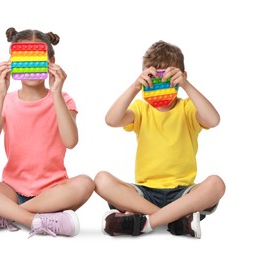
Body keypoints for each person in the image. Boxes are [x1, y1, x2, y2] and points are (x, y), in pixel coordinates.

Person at [0, 27, 95, 238]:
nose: (31, 63)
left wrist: (57, 92)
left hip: (53, 193)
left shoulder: (63, 99)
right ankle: (35, 220)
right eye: (24, 57)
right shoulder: (6, 101)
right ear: (12, 61)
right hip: (11, 192)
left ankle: (5, 215)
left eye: (38, 58)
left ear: (52, 60)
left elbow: (70, 142)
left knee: (86, 183)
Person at [94, 40, 225, 239]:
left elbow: (213, 120)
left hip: (182, 194)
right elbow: (111, 120)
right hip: (144, 193)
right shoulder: (141, 109)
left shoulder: (187, 108)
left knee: (216, 184)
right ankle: (176, 220)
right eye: (153, 78)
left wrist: (187, 85)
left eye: (167, 77)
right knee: (102, 180)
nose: (160, 84)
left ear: (181, 77)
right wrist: (134, 87)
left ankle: (147, 221)